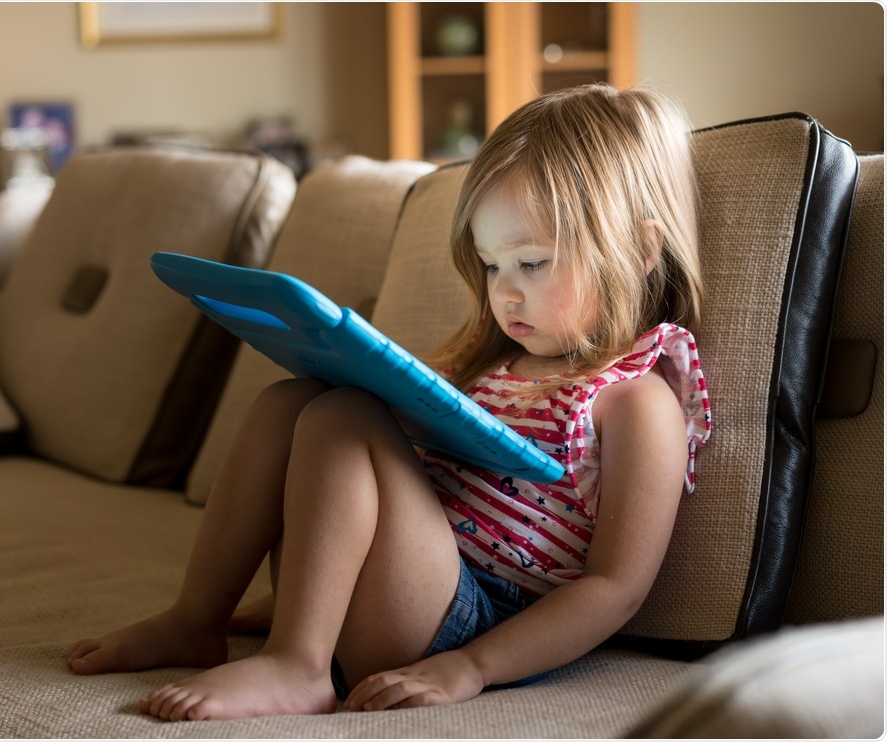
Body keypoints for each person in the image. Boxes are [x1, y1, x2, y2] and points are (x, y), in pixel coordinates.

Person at [66, 83, 711, 721]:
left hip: (464, 624)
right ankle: (195, 619)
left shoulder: (636, 402)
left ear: (643, 249)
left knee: (344, 419)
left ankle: (301, 667)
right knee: (290, 401)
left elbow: (615, 589)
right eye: (491, 266)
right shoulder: (492, 364)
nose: (505, 293)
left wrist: (473, 666)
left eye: (532, 264)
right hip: (391, 586)